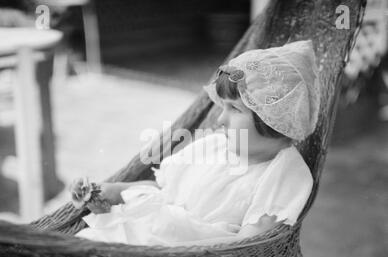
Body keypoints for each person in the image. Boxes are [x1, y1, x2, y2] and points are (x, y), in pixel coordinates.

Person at [70, 39, 321, 246]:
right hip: (147, 230)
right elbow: (164, 191)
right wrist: (115, 191)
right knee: (84, 246)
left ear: (274, 119)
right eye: (222, 107)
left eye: (234, 108)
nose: (220, 119)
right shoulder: (212, 145)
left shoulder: (283, 172)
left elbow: (247, 246)